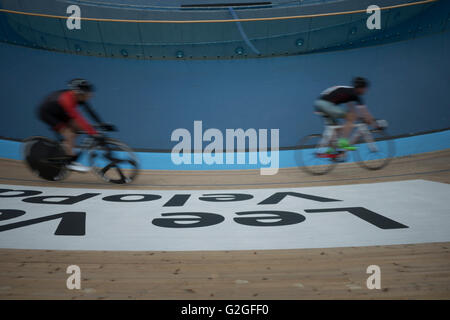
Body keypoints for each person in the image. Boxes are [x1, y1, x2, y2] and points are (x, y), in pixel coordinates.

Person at [37, 79, 112, 172]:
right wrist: (93, 133)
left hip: (59, 111)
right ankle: (70, 162)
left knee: (79, 129)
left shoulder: (79, 97)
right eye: (88, 93)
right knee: (70, 134)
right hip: (47, 113)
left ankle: (65, 146)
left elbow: (90, 112)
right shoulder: (67, 99)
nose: (91, 95)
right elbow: (78, 118)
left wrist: (102, 124)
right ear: (80, 93)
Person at [314, 77, 378, 151]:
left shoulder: (349, 92)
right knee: (350, 117)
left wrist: (358, 117)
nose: (366, 90)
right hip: (326, 104)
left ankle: (331, 151)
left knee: (337, 129)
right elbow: (365, 112)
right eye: (365, 88)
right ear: (361, 88)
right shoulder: (354, 94)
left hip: (319, 104)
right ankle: (343, 143)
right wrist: (374, 124)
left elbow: (352, 110)